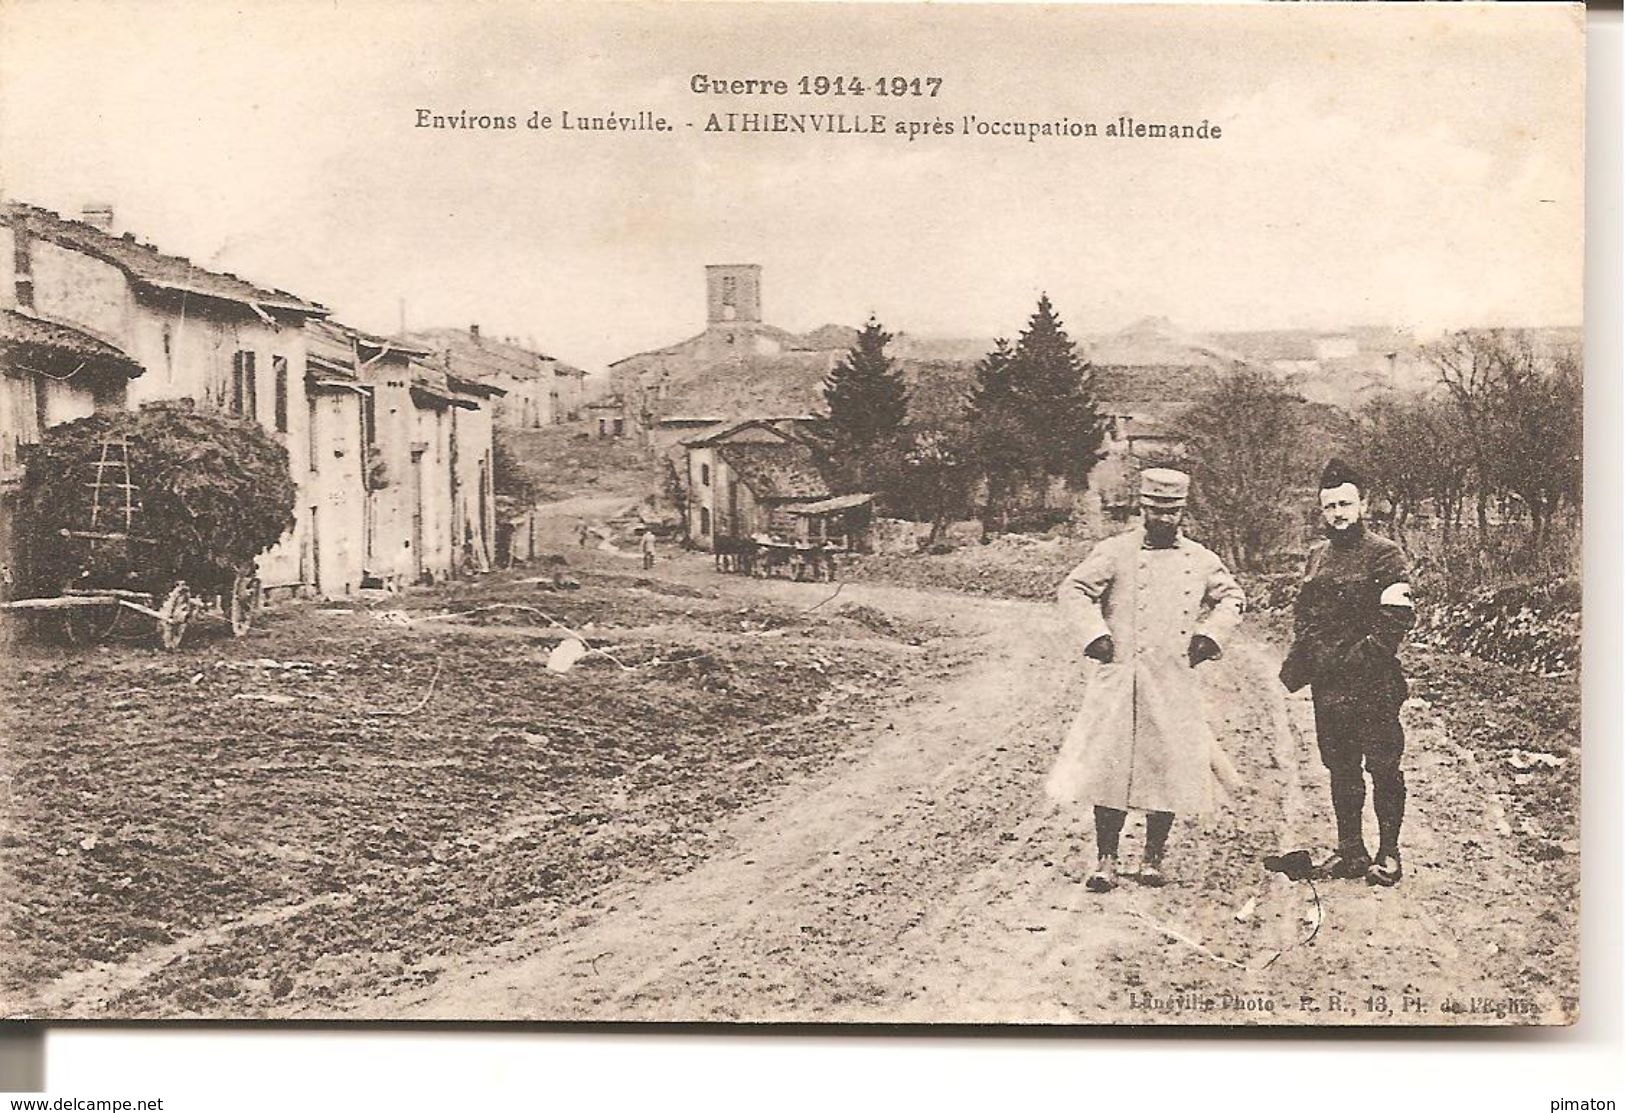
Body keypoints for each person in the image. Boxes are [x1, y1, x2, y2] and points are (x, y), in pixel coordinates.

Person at [1046, 468, 1245, 892]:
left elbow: (1233, 597)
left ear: (1183, 512)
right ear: (1142, 508)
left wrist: (1210, 636)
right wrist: (1095, 635)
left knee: (1168, 766)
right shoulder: (1115, 552)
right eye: (1155, 510)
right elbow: (1075, 589)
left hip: (1173, 678)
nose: (1163, 519)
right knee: (1110, 767)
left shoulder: (1201, 559)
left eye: (1172, 511)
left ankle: (1153, 856)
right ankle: (1106, 858)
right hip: (1122, 678)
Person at [1279, 459, 1414, 887]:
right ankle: (1350, 851)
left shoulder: (1385, 554)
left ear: (1362, 504)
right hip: (1329, 683)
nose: (1338, 513)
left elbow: (1396, 616)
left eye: (1345, 503)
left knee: (1383, 766)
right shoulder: (1317, 557)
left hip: (1372, 681)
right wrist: (1312, 656)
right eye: (1330, 506)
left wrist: (1362, 656)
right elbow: (1303, 613)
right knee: (1340, 766)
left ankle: (1388, 853)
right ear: (1322, 511)